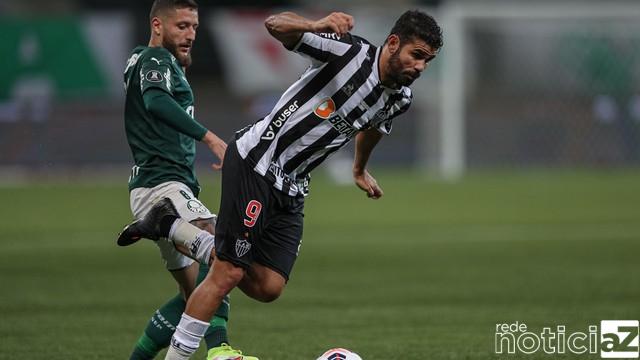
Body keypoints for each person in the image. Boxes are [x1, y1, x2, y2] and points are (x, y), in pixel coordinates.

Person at [120, 9, 443, 360]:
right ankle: (198, 351)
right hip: (255, 163)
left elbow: (373, 126)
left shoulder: (399, 98)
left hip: (293, 186)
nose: (421, 67)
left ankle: (170, 225)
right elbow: (275, 26)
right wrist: (316, 25)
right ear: (393, 43)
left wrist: (359, 169)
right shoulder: (347, 52)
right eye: (417, 56)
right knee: (228, 270)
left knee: (268, 286)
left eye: (428, 60)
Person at [120, 0, 257, 359]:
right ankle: (219, 350)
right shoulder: (155, 60)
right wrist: (210, 138)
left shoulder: (145, 60)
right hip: (163, 185)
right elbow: (155, 102)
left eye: (194, 27)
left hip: (155, 186)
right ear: (156, 26)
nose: (190, 34)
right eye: (181, 26)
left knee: (195, 294)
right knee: (226, 253)